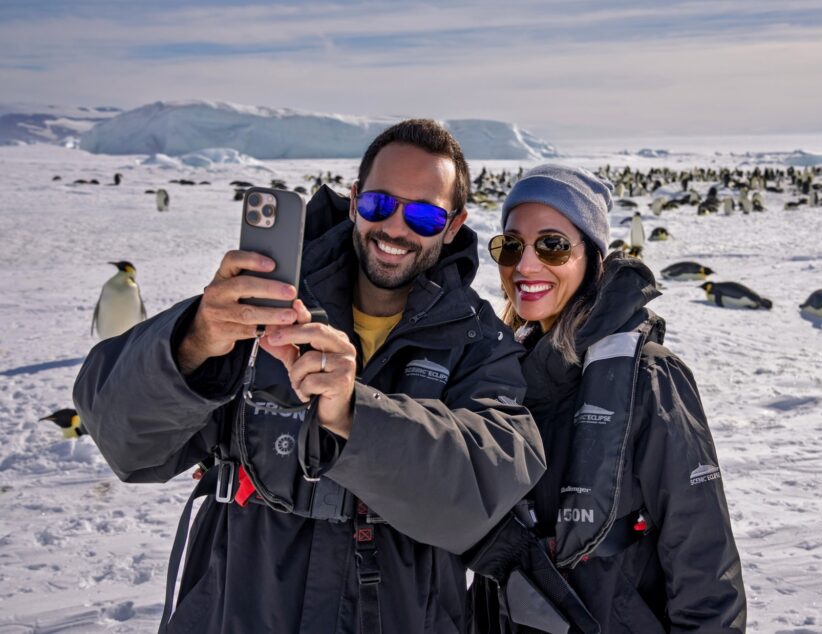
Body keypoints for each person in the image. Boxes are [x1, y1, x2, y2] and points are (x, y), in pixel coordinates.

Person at [73, 119, 546, 633]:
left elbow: (486, 486)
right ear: (354, 200)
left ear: (453, 226)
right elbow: (127, 442)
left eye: (426, 216)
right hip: (235, 610)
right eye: (380, 205)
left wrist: (354, 413)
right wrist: (192, 344)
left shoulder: (478, 343)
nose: (395, 229)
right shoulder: (263, 304)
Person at [470, 164, 746, 632]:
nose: (526, 265)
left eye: (553, 245)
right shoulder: (499, 372)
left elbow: (703, 558)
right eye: (511, 245)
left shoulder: (649, 376)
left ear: (592, 257)